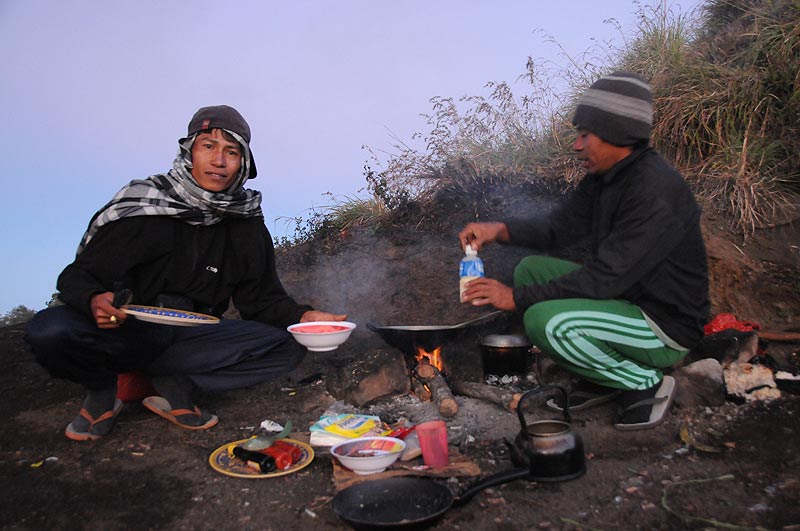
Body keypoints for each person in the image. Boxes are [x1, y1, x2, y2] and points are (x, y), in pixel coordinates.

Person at [25, 105, 346, 441]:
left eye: (231, 151)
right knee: (49, 331)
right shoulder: (144, 207)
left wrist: (305, 316)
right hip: (127, 331)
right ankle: (102, 388)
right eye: (208, 146)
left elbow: (261, 301)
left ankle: (168, 382)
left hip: (189, 338)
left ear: (244, 163)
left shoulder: (245, 225)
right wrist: (94, 300)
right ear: (189, 151)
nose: (219, 161)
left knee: (288, 346)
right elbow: (77, 276)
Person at [459, 72, 709, 430]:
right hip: (627, 298)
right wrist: (498, 230)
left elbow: (605, 278)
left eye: (584, 135)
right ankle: (603, 375)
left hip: (662, 324)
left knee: (544, 321)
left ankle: (642, 381)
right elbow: (557, 228)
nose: (577, 146)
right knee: (530, 268)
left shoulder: (654, 191)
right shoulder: (607, 179)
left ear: (616, 135)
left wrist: (515, 298)